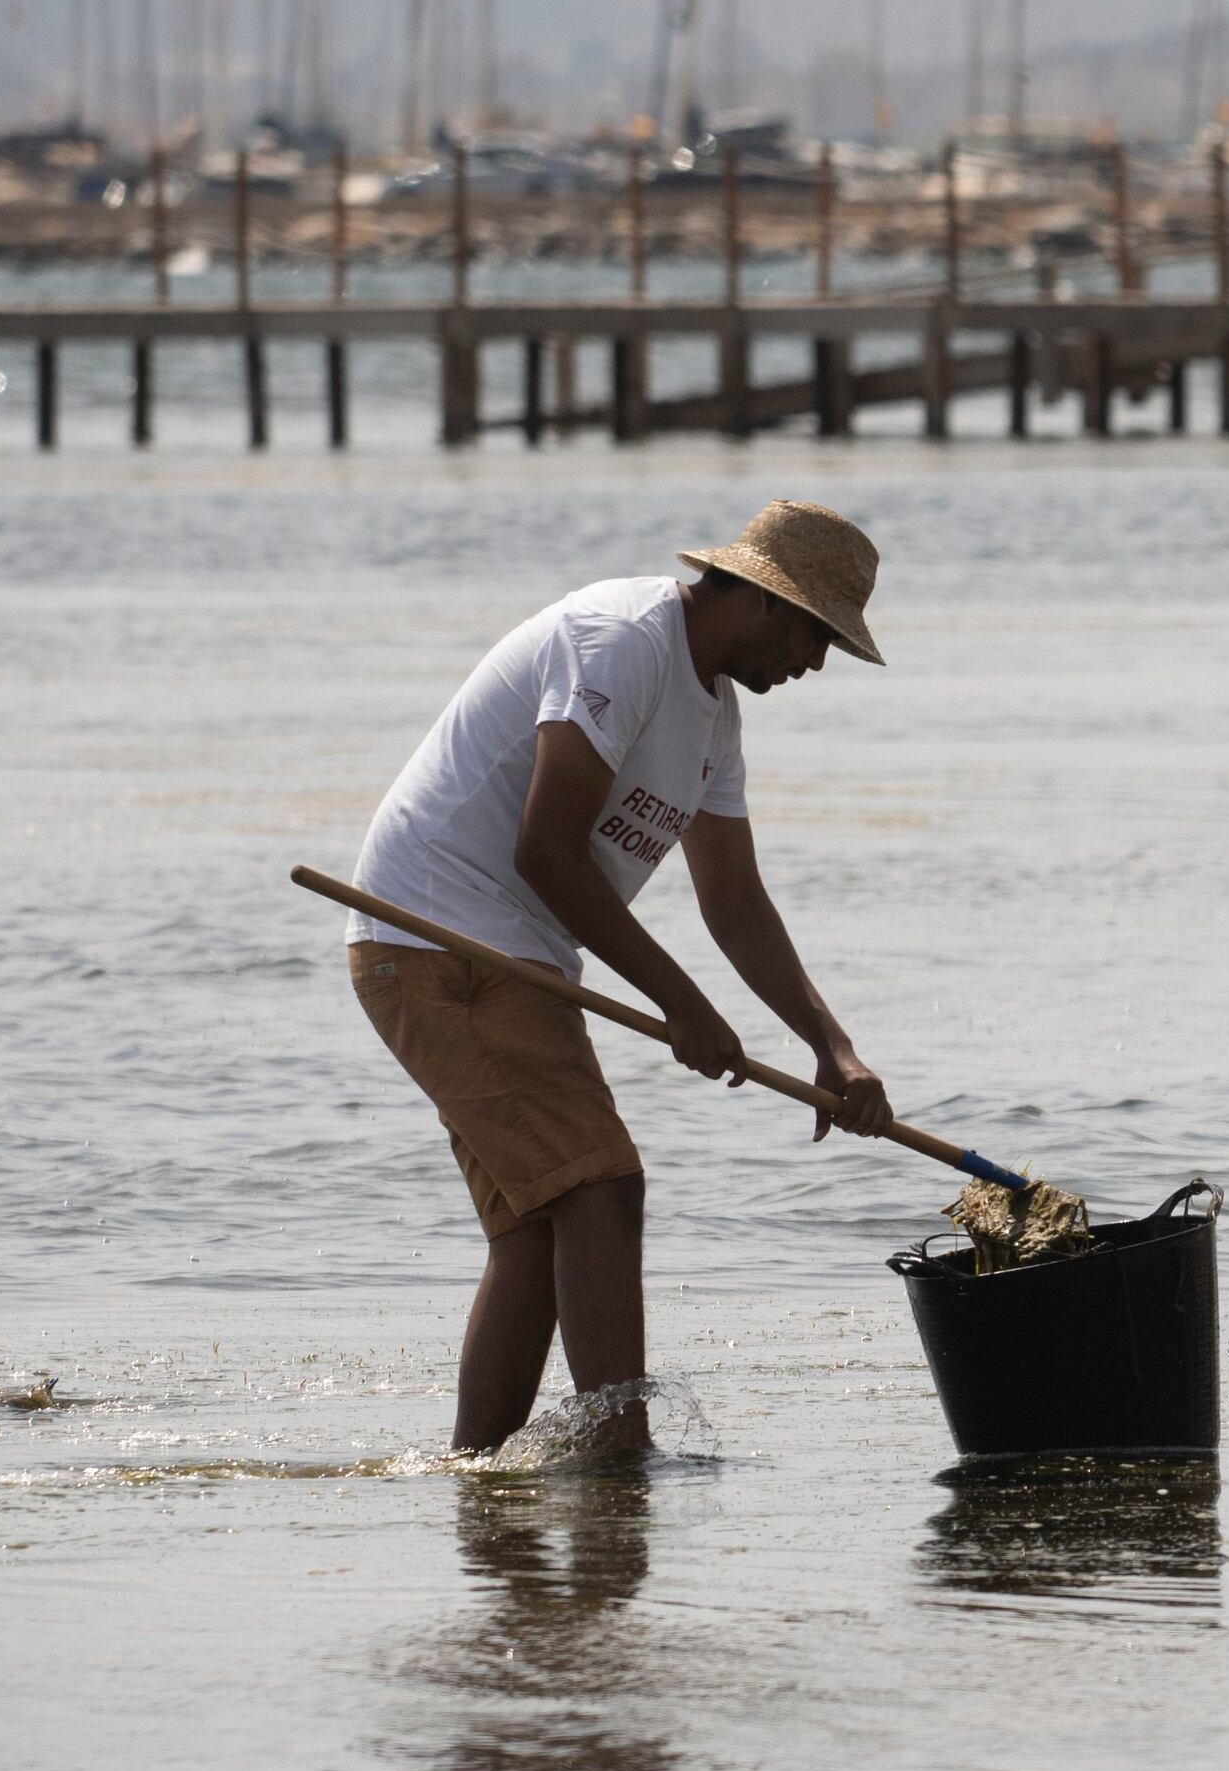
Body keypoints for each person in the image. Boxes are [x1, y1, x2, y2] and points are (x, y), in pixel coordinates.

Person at [347, 501, 902, 1453]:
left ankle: (480, 1479)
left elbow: (735, 901)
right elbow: (547, 855)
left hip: (514, 951)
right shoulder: (622, 641)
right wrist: (683, 1006)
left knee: (539, 1224)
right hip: (441, 938)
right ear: (766, 603)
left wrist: (831, 1046)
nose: (813, 667)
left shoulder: (713, 714)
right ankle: (620, 1460)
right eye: (818, 638)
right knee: (603, 1188)